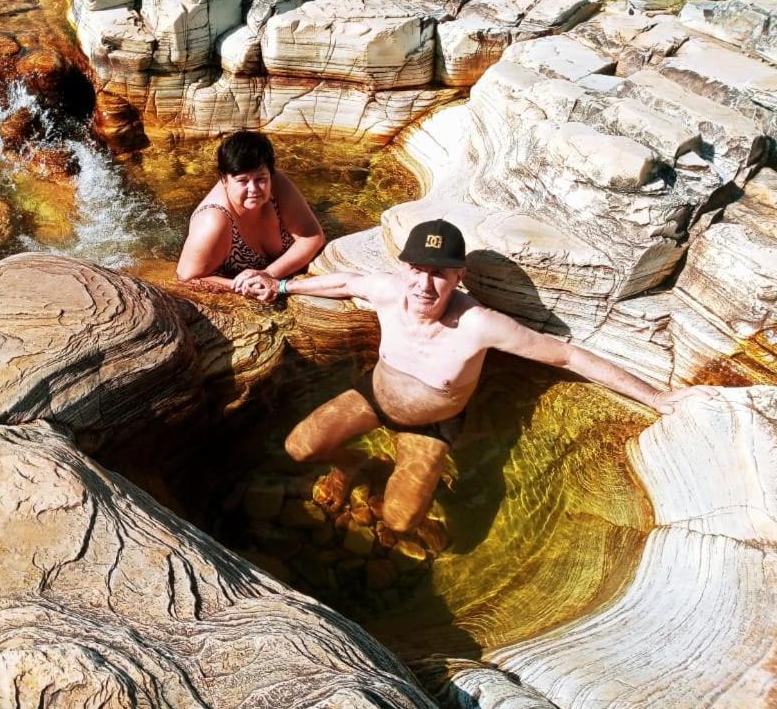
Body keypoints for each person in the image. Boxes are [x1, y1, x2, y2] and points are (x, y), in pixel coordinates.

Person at [245, 219, 718, 534]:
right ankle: (354, 464)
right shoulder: (390, 291)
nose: (425, 285)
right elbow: (346, 281)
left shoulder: (478, 325)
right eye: (418, 270)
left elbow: (567, 357)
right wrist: (282, 284)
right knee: (299, 447)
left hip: (432, 424)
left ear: (459, 277)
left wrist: (656, 397)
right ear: (405, 268)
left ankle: (402, 485)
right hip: (374, 394)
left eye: (440, 274)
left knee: (400, 521)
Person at [176, 131, 324, 299]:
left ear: (270, 173)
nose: (253, 189)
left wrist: (268, 274)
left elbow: (313, 237)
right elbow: (186, 279)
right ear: (224, 180)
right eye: (243, 181)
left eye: (261, 179)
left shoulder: (278, 185)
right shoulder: (213, 221)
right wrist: (243, 287)